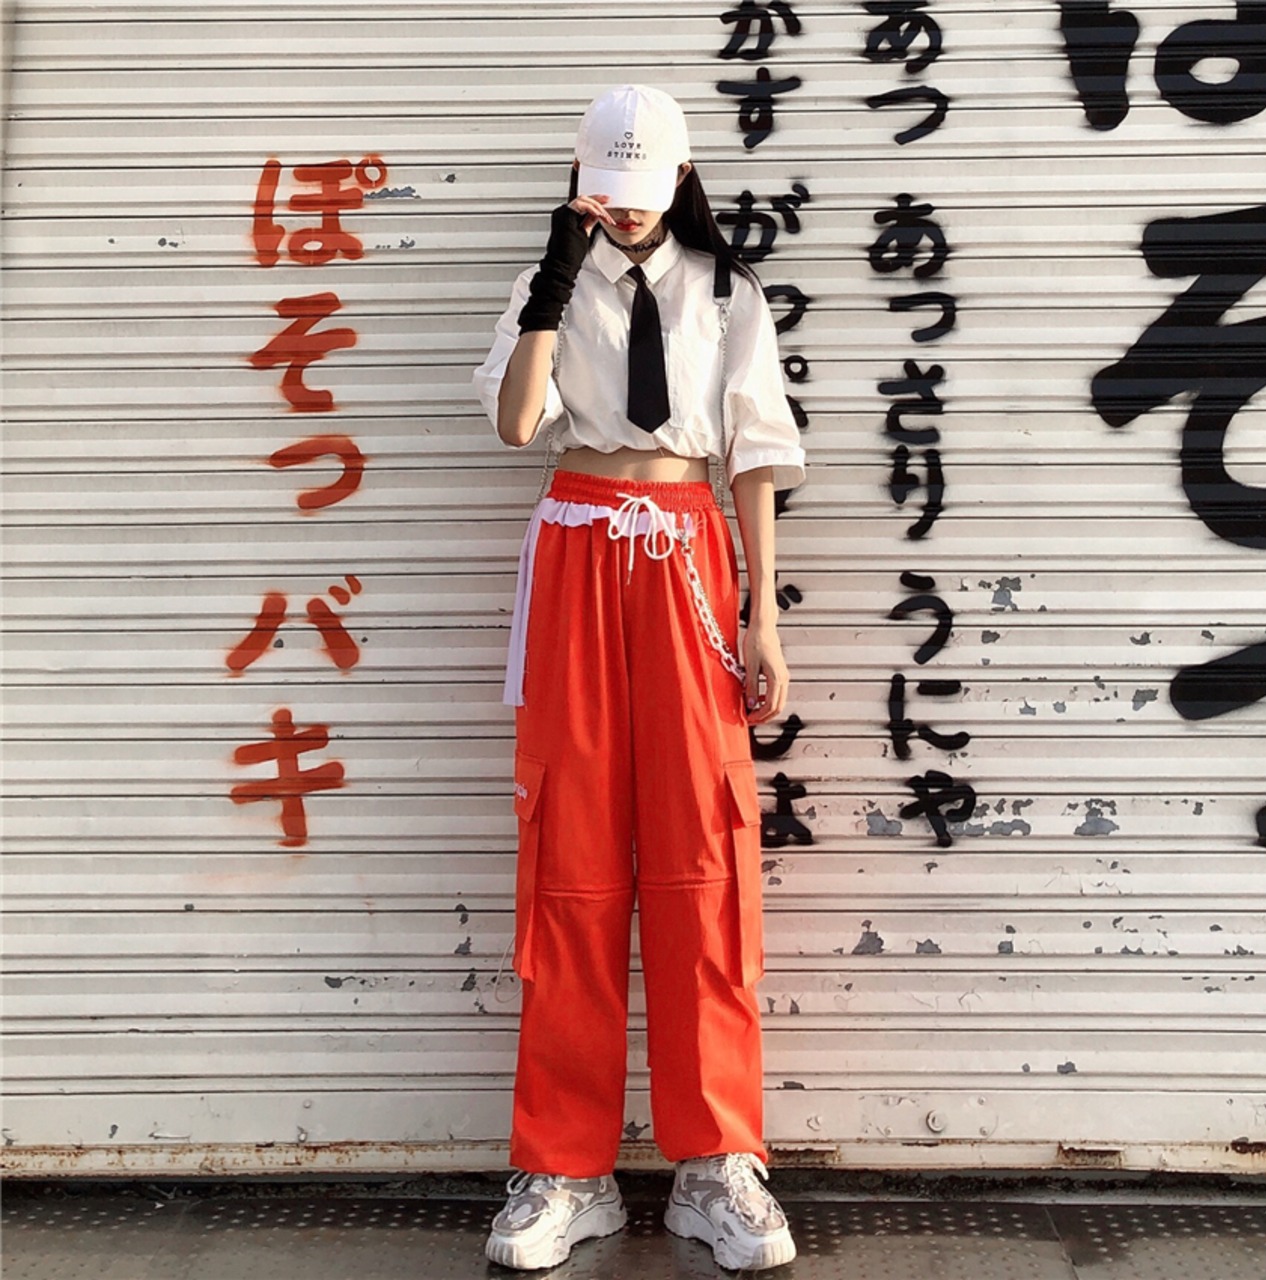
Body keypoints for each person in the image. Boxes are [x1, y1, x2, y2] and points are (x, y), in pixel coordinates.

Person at [470, 83, 805, 1273]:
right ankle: (565, 1168)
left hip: (686, 557)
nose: (623, 209)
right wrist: (553, 283)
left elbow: (753, 453)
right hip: (574, 548)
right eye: (603, 190)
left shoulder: (725, 290)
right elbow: (517, 425)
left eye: (641, 189)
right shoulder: (545, 287)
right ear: (580, 184)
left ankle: (716, 1161)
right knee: (569, 851)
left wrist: (763, 614)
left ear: (679, 180)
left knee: (702, 850)